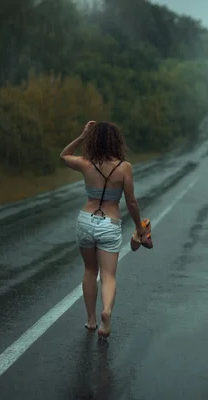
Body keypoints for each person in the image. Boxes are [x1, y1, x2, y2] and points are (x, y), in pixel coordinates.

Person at [60, 120, 147, 339]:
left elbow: (64, 155)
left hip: (86, 220)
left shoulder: (85, 163)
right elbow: (132, 203)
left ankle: (90, 320)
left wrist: (81, 137)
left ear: (94, 141)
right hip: (109, 223)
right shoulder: (124, 167)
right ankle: (106, 313)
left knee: (90, 270)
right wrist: (139, 227)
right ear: (116, 142)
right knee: (108, 275)